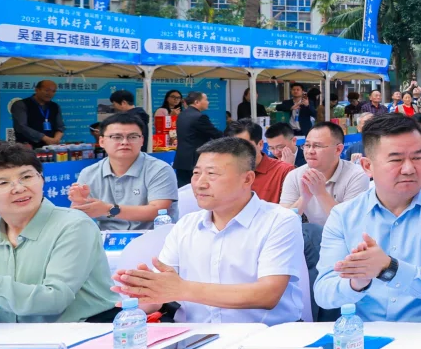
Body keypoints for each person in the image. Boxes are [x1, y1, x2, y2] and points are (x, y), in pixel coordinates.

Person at [113, 136, 308, 323]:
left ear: (247, 179)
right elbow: (165, 289)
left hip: (263, 340)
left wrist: (182, 290)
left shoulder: (279, 221)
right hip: (194, 338)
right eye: (197, 173)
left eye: (212, 174)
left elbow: (267, 295)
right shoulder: (186, 225)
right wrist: (144, 297)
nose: (200, 183)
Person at [314, 113, 421, 322]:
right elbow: (323, 292)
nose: (409, 169)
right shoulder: (344, 216)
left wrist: (388, 268)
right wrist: (357, 282)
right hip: (367, 335)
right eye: (396, 160)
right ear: (368, 166)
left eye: (417, 157)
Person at [0, 141, 113, 323]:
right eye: (2, 183)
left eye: (27, 177)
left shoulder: (74, 226)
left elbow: (54, 300)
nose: (19, 188)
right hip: (13, 344)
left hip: (84, 336)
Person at [67, 113, 178, 230]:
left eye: (133, 137)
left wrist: (109, 209)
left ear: (142, 141)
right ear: (102, 141)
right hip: (107, 241)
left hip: (151, 238)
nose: (125, 142)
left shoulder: (159, 170)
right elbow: (76, 218)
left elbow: (158, 211)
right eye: (116, 137)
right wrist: (79, 203)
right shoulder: (89, 173)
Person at [280, 121, 371, 226]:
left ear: (338, 149)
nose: (310, 151)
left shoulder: (356, 175)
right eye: (307, 145)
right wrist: (304, 198)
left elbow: (350, 223)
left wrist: (320, 193)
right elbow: (283, 222)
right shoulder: (295, 175)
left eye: (317, 146)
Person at [227, 119, 294, 204]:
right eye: (232, 146)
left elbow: (291, 210)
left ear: (260, 144)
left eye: (244, 145)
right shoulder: (226, 171)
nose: (237, 151)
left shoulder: (283, 171)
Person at [173, 90, 224, 187]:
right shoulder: (200, 117)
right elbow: (215, 134)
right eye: (206, 99)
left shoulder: (182, 115)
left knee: (183, 191)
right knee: (197, 191)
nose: (208, 102)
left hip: (181, 160)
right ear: (197, 102)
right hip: (195, 161)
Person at [10, 80, 64, 149]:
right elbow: (21, 127)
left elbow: (60, 126)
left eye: (53, 91)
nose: (50, 93)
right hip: (27, 147)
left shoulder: (55, 106)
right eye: (47, 90)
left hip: (50, 147)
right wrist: (44, 138)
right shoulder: (21, 104)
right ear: (36, 90)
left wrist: (56, 139)